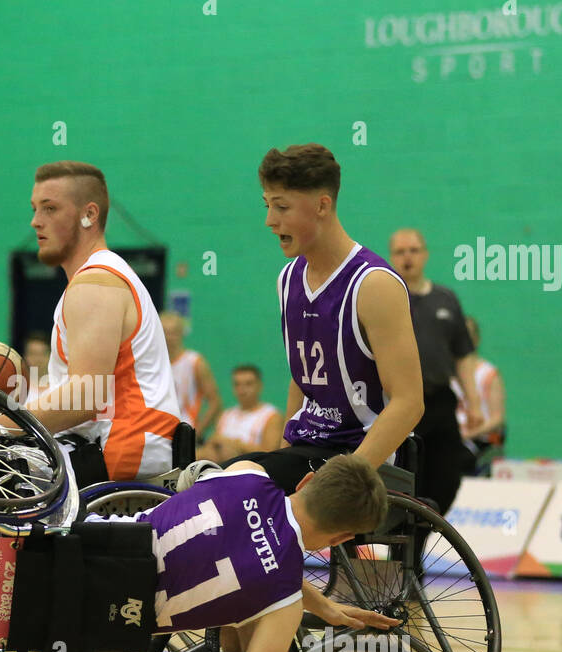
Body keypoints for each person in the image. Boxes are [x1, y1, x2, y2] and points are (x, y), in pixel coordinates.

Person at [102, 454, 398, 652]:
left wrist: (320, 604)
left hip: (80, 537)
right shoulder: (283, 605)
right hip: (97, 620)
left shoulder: (248, 473)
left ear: (306, 481)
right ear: (341, 539)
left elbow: (240, 538)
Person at [223, 145, 424, 494]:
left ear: (322, 205)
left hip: (360, 458)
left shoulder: (373, 284)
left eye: (282, 207)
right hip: (307, 450)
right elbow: (302, 381)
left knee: (233, 486)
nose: (270, 220)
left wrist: (346, 475)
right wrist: (284, 454)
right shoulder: (288, 279)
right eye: (267, 205)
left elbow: (409, 402)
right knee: (205, 476)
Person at [18, 160, 182, 483]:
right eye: (35, 209)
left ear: (89, 215)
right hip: (116, 441)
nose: (36, 222)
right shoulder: (96, 278)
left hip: (128, 446)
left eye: (50, 209)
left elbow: (85, 397)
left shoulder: (96, 283)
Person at [389, 228, 492, 512]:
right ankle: (402, 543)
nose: (407, 257)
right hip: (396, 402)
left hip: (438, 400)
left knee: (448, 477)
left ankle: (422, 534)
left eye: (413, 250)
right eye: (400, 251)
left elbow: (463, 356)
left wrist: (473, 404)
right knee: (406, 477)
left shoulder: (446, 299)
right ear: (391, 257)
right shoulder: (385, 297)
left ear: (425, 255)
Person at [449, 316, 506, 474]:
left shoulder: (488, 373)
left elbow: (497, 419)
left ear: (476, 339)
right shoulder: (443, 374)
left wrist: (467, 434)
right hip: (447, 437)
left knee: (452, 459)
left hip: (475, 440)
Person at [199, 365, 281, 462]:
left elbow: (270, 454)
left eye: (248, 384)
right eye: (237, 384)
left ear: (259, 386)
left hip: (250, 466)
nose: (242, 390)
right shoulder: (226, 414)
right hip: (219, 462)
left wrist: (236, 445)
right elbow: (214, 442)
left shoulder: (271, 416)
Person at [160, 311, 222, 437]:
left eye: (173, 332)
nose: (168, 337)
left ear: (182, 333)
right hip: (156, 432)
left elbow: (215, 402)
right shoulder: (152, 363)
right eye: (164, 332)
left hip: (183, 431)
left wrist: (196, 433)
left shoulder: (194, 362)